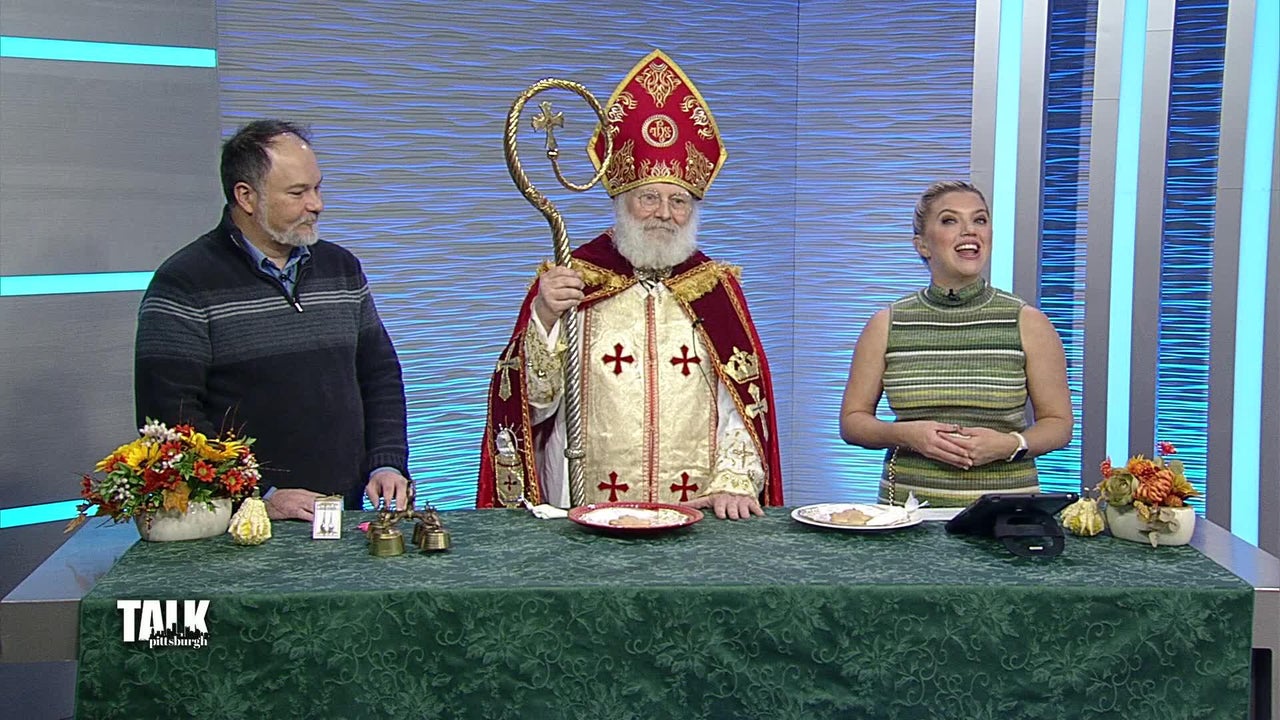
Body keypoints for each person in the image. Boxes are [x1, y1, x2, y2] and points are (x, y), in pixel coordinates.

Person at [477, 49, 783, 519]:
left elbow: (743, 406)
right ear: (621, 201)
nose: (665, 213)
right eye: (649, 197)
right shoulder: (574, 279)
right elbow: (530, 405)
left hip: (697, 514)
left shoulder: (715, 289)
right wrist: (544, 318)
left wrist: (734, 482)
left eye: (679, 201)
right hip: (588, 513)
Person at [134, 119, 410, 520]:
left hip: (344, 512)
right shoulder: (185, 283)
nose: (316, 204)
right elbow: (172, 418)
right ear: (246, 196)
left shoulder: (341, 268)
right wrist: (261, 495)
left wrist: (386, 462)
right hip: (245, 525)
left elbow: (379, 374)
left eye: (317, 188)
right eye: (298, 192)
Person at [839, 180, 1073, 507]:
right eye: (950, 220)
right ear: (922, 245)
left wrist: (1010, 444)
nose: (970, 231)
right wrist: (905, 435)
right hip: (907, 517)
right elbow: (852, 421)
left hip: (1004, 517)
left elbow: (1059, 425)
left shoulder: (1028, 322)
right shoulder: (887, 324)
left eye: (980, 220)